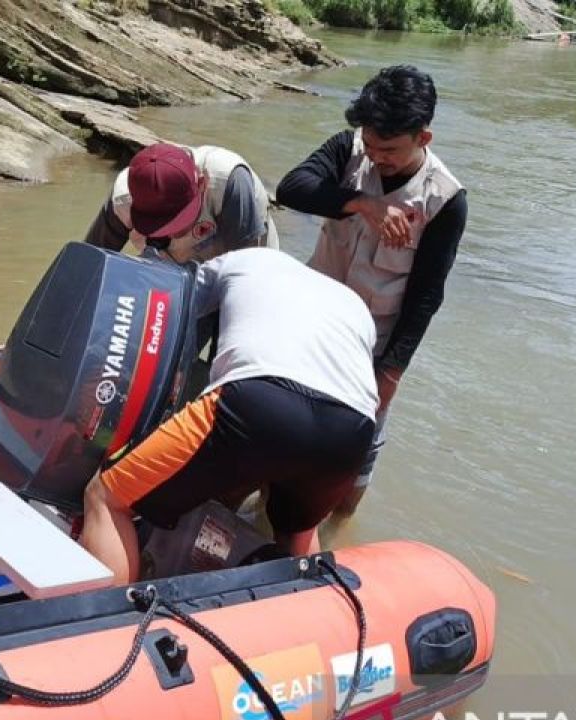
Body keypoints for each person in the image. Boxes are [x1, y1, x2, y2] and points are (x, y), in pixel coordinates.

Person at [79, 247, 378, 585]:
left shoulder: (241, 260)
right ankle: (318, 613)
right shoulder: (352, 303)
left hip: (257, 400)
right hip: (352, 432)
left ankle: (111, 628)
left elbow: (169, 308)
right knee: (298, 532)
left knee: (106, 497)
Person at [275, 64, 467, 515]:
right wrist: (361, 203)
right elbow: (290, 189)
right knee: (283, 441)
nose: (377, 156)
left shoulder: (445, 201)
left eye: (391, 149)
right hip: (309, 329)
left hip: (370, 346)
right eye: (371, 144)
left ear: (424, 138)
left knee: (353, 471)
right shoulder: (349, 151)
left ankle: (340, 524)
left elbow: (425, 297)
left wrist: (391, 374)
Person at [84, 142, 278, 264]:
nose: (172, 234)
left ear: (203, 183)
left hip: (240, 253)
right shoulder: (124, 198)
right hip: (172, 264)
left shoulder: (230, 183)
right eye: (159, 228)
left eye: (178, 222)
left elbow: (245, 274)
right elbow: (87, 263)